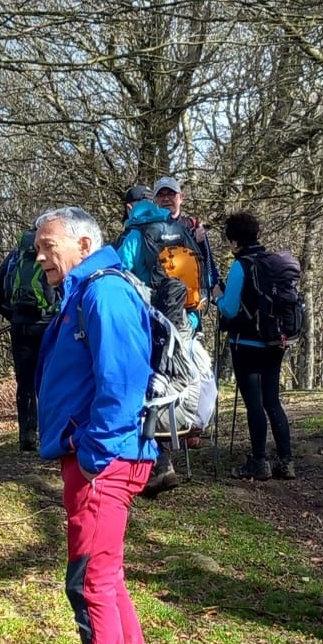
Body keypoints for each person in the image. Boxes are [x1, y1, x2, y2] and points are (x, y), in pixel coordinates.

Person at [30, 205, 157, 644]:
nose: (40, 257)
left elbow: (122, 383)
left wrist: (93, 454)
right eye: (38, 247)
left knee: (88, 584)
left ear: (83, 244)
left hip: (103, 461)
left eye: (48, 245)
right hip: (99, 456)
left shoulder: (104, 292)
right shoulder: (85, 291)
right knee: (108, 577)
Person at [116, 183, 197, 496]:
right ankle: (166, 458)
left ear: (132, 211)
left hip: (148, 322)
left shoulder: (135, 235)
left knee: (147, 388)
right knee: (171, 384)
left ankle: (157, 464)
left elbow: (118, 275)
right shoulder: (180, 231)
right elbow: (199, 277)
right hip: (183, 321)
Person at [214, 211, 294, 480]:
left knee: (254, 404)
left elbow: (230, 308)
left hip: (246, 343)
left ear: (235, 241)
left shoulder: (241, 265)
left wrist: (217, 297)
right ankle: (286, 461)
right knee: (272, 401)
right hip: (274, 341)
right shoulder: (270, 263)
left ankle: (259, 462)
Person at [0, 225, 59, 451]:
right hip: (48, 325)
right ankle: (50, 433)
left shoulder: (15, 255)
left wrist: (13, 315)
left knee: (25, 382)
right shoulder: (52, 253)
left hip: (20, 325)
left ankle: (27, 436)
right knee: (49, 379)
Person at [152, 175, 221, 307]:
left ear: (181, 197)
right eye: (161, 195)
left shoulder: (193, 225)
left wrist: (215, 286)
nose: (166, 199)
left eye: (171, 194)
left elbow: (208, 263)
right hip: (161, 302)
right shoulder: (149, 230)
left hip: (192, 302)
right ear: (155, 200)